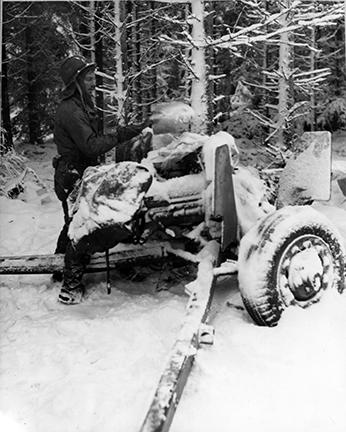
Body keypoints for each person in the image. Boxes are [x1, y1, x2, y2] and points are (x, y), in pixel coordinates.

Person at [53, 55, 150, 303]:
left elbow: (99, 136)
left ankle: (58, 267)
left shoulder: (80, 106)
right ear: (74, 82)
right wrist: (121, 135)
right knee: (86, 222)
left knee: (75, 222)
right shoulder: (71, 110)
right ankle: (70, 287)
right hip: (73, 173)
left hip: (79, 171)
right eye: (87, 79)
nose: (92, 83)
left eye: (92, 78)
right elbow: (91, 146)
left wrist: (134, 129)